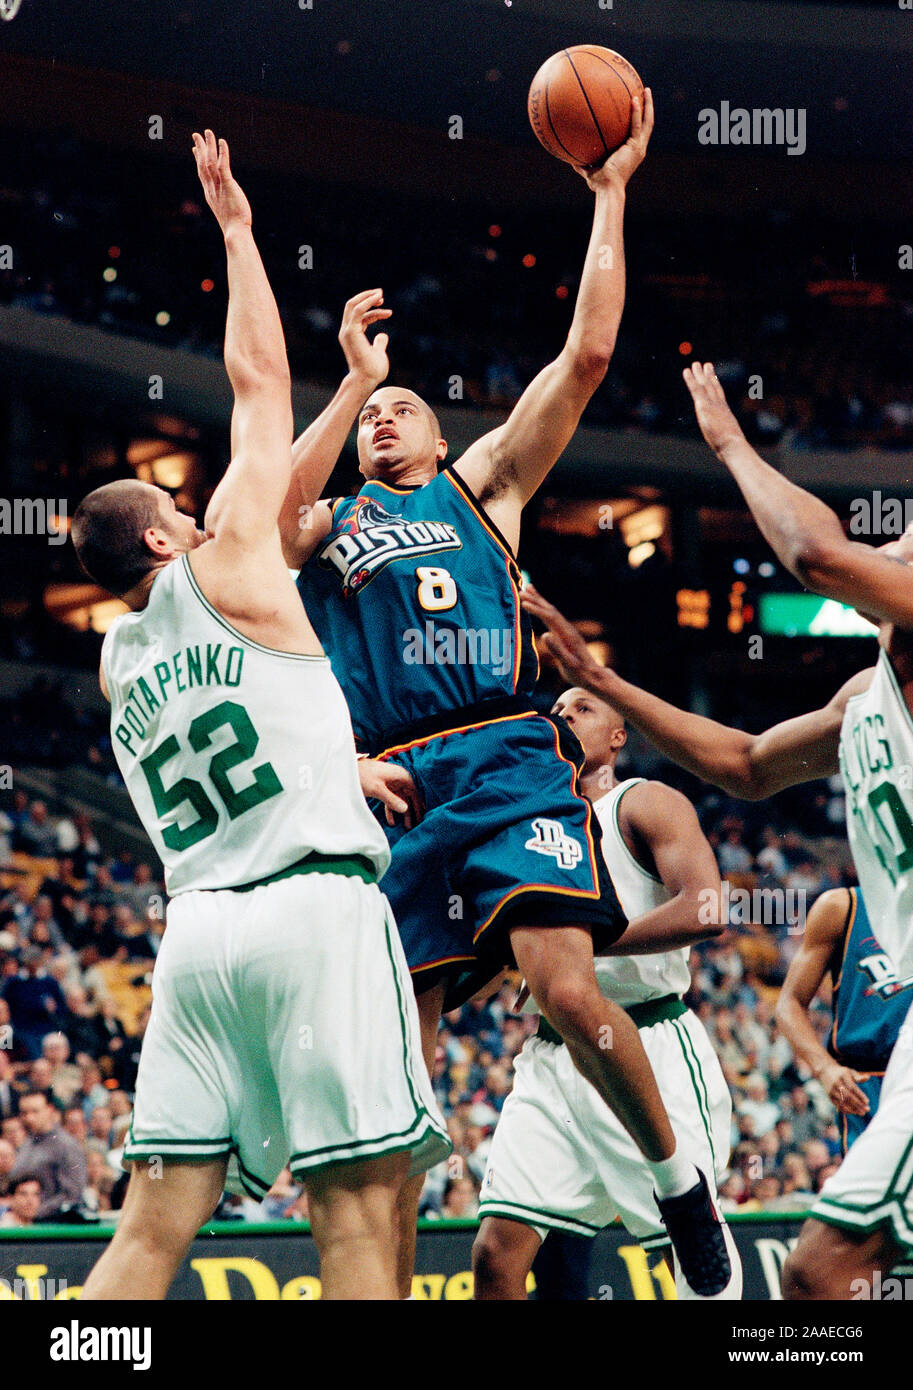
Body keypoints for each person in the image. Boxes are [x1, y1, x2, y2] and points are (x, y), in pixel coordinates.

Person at [280, 92, 730, 1298]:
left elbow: (584, 357)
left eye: (400, 407)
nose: (382, 420)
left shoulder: (483, 489)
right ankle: (377, 1260)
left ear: (438, 434)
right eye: (371, 415)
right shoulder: (328, 522)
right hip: (396, 781)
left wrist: (609, 195)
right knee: (404, 1050)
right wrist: (345, 380)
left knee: (563, 983)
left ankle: (681, 1187)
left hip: (505, 753)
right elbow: (264, 527)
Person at [70, 131, 448, 1301]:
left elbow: (252, 706)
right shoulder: (226, 561)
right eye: (180, 507)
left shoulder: (119, 661)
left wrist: (339, 761)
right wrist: (237, 232)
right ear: (160, 538)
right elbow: (253, 390)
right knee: (356, 1211)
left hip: (196, 942)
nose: (201, 509)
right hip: (313, 915)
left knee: (145, 1235)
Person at [521, 360, 913, 1298]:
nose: (891, 545)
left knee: (816, 1275)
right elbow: (741, 764)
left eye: (902, 540)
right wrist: (608, 684)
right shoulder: (864, 697)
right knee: (819, 1278)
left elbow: (816, 555)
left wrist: (733, 444)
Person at [473, 688, 741, 1299]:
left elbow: (708, 906)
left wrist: (586, 950)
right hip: (552, 1054)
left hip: (648, 1041)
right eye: (558, 711)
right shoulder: (528, 820)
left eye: (583, 709)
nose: (564, 717)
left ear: (620, 737)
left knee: (691, 1250)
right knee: (495, 1256)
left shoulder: (643, 802)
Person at [776, 886, 912, 1153]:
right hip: (869, 1084)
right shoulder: (841, 907)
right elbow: (788, 1003)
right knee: (870, 1192)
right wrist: (825, 1068)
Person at [8, 1091, 87, 1220]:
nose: (29, 1118)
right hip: (24, 1222)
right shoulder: (26, 1142)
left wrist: (33, 1212)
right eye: (24, 1113)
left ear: (49, 1110)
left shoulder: (67, 1146)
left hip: (53, 1227)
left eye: (35, 1111)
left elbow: (72, 1194)